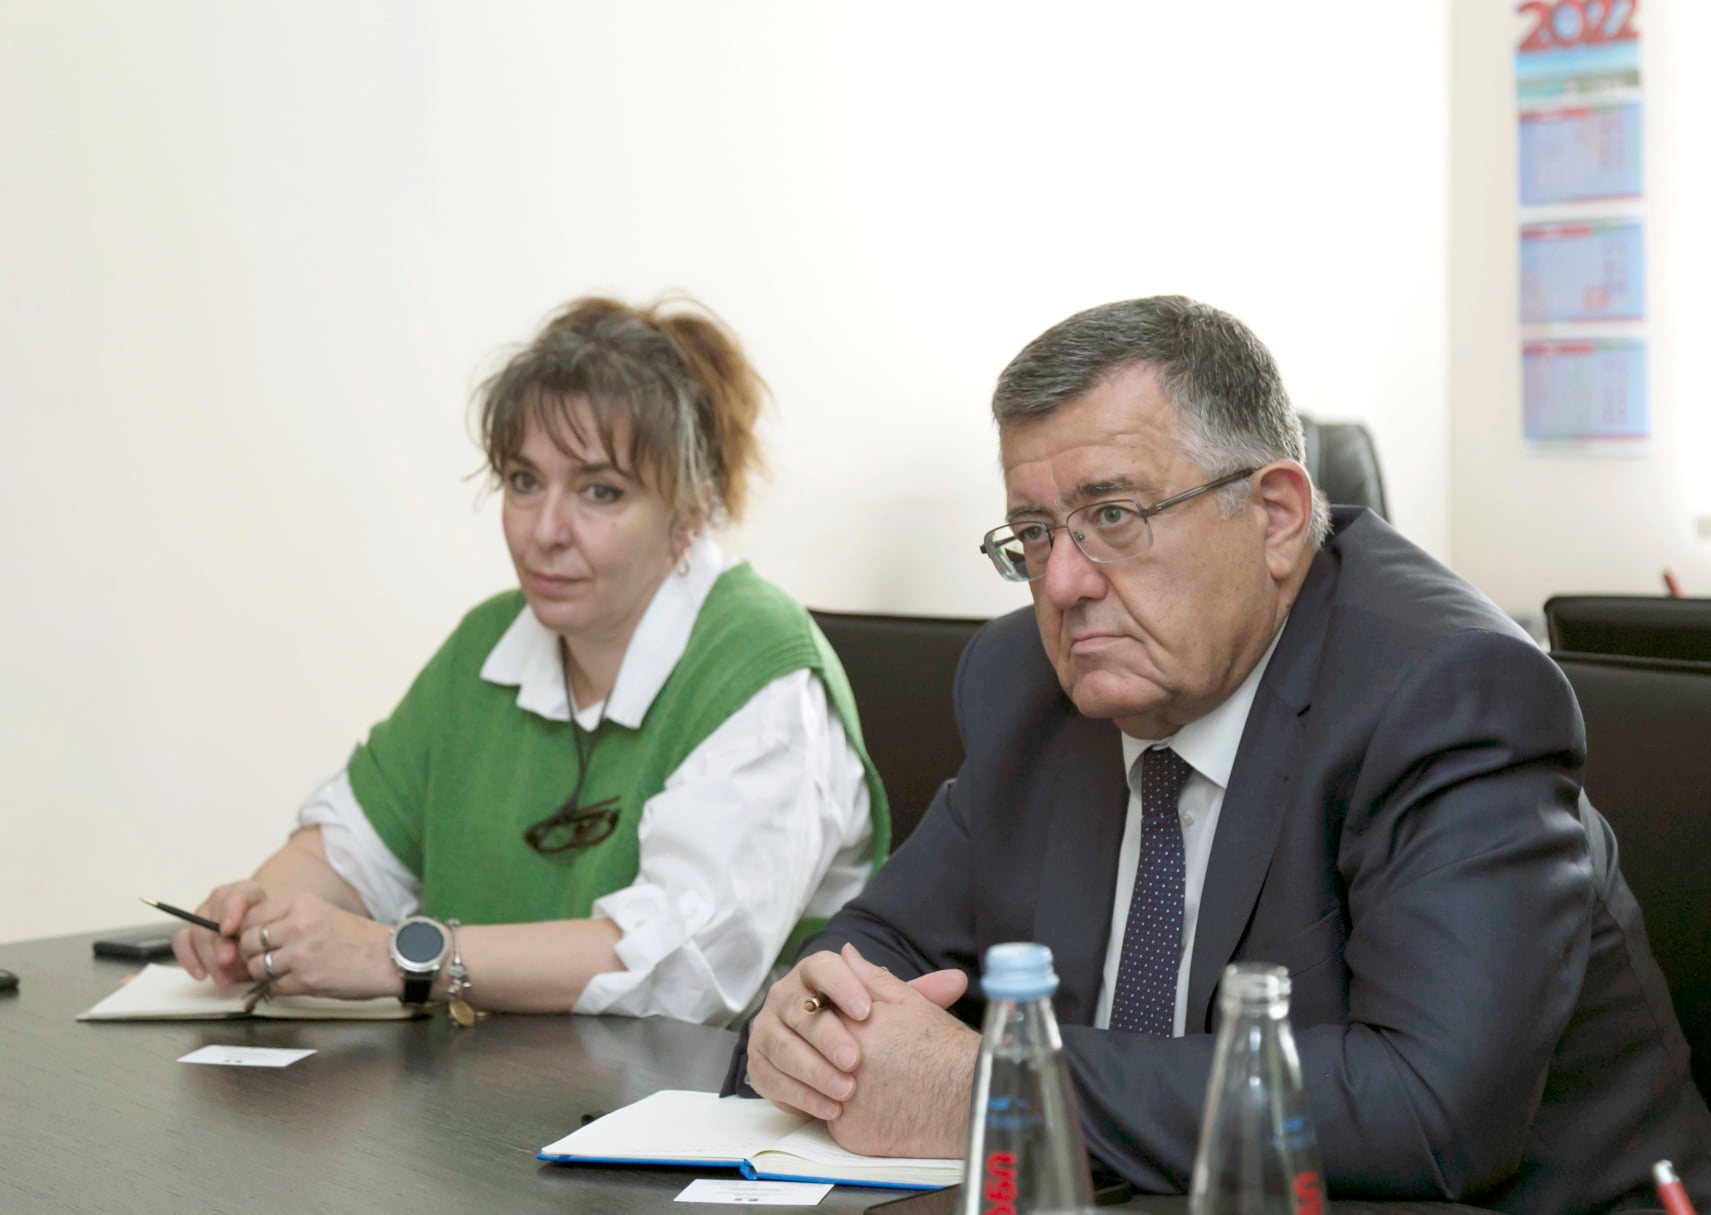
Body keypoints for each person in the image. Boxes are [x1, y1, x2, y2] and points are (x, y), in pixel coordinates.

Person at [727, 296, 1711, 1211]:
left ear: (1274, 516)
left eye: (1113, 517)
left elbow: (1428, 1108)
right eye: (1033, 532)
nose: (1061, 584)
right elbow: (881, 945)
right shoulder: (1028, 684)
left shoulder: (1448, 694)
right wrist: (807, 1022)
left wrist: (998, 1088)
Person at [172, 295, 888, 1024]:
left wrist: (395, 956)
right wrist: (258, 916)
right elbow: (349, 850)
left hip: (696, 1087)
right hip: (492, 1080)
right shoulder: (489, 643)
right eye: (523, 481)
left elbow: (681, 972)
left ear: (691, 512)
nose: (545, 530)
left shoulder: (765, 673)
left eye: (600, 492)